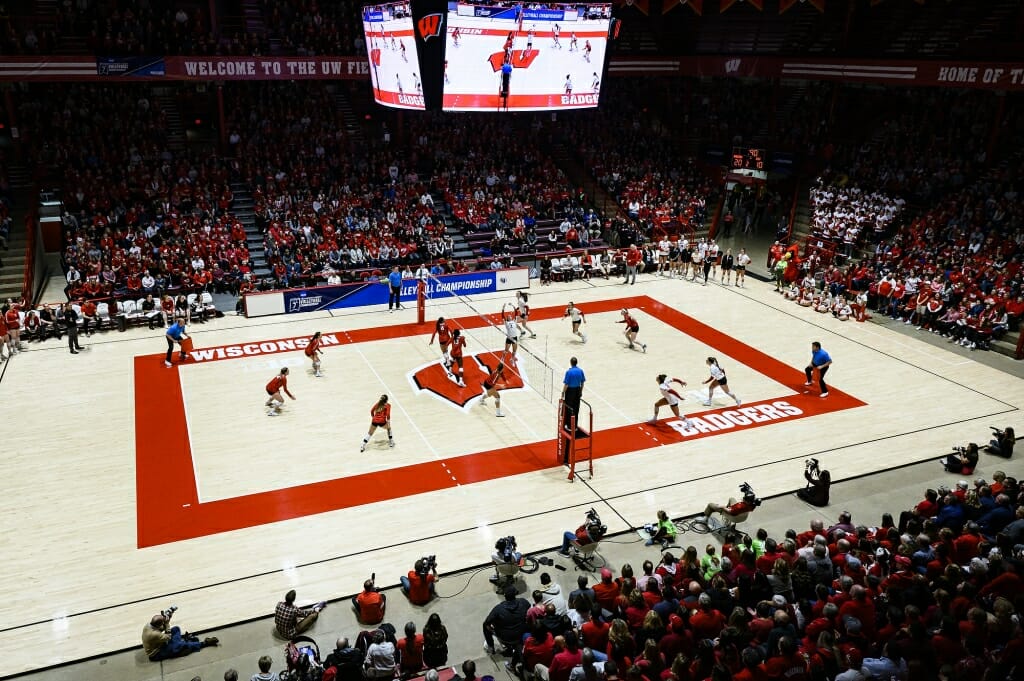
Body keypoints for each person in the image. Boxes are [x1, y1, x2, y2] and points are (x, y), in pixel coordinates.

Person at [141, 610, 219, 661]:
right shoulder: (153, 634)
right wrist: (167, 623)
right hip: (156, 653)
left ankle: (181, 646)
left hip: (160, 643)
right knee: (181, 644)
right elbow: (168, 637)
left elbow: (161, 628)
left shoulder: (149, 625)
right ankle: (204, 643)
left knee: (176, 629)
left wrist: (168, 620)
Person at [483, 586, 530, 655]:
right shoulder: (523, 602)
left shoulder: (498, 609)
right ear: (515, 594)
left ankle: (491, 647)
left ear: (504, 596)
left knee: (485, 625)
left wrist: (493, 630)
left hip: (506, 638)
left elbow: (487, 623)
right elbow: (529, 610)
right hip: (522, 634)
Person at [561, 356, 586, 435]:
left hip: (570, 391)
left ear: (571, 363)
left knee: (569, 408)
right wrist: (580, 391)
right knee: (576, 408)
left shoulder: (569, 372)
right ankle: (574, 426)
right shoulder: (580, 371)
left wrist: (563, 392)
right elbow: (582, 382)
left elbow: (566, 384)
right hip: (577, 390)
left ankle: (569, 426)